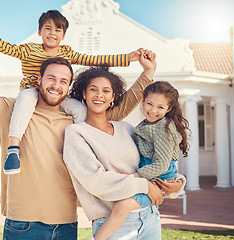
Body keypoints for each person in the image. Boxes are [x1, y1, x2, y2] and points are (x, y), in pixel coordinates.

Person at [0, 15, 165, 239]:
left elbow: (116, 111)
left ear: (69, 86)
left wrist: (147, 73)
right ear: (39, 79)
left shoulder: (77, 120)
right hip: (23, 225)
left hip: (66, 225)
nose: (56, 86)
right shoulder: (11, 113)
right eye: (51, 78)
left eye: (63, 81)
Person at [0, 10, 144, 175]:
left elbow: (94, 60)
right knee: (24, 99)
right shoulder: (29, 50)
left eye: (57, 30)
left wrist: (127, 58)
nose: (52, 33)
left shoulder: (66, 52)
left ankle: (84, 147)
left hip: (58, 95)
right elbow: (3, 46)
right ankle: (13, 149)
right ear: (39, 32)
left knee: (80, 109)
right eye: (48, 28)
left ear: (63, 35)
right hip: (33, 91)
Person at [63, 56, 186, 239]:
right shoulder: (76, 133)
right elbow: (95, 181)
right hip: (112, 223)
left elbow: (153, 160)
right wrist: (144, 185)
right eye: (93, 90)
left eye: (106, 91)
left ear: (113, 97)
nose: (99, 95)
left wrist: (177, 184)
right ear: (84, 94)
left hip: (150, 216)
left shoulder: (127, 128)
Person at [90, 81, 189, 240]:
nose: (153, 110)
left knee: (122, 205)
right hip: (151, 174)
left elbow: (162, 164)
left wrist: (135, 176)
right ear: (143, 102)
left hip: (159, 176)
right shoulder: (145, 125)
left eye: (160, 107)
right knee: (121, 203)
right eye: (149, 104)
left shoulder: (164, 127)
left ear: (168, 109)